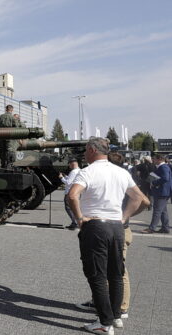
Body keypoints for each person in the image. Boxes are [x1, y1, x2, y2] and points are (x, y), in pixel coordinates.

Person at [67, 137, 148, 334]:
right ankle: (115, 317)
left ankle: (104, 323)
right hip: (116, 227)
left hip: (96, 226)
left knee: (97, 275)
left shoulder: (87, 172)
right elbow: (139, 198)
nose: (85, 154)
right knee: (116, 274)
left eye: (86, 150)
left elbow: (72, 195)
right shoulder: (120, 172)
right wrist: (123, 217)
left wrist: (79, 218)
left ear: (93, 150)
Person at [141, 153, 171, 233]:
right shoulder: (163, 166)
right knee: (163, 211)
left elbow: (165, 178)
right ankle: (165, 228)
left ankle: (152, 228)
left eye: (154, 159)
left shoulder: (163, 167)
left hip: (162, 192)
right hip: (163, 192)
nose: (153, 160)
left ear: (159, 159)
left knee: (157, 211)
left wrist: (154, 183)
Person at [59, 158, 80, 229]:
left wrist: (61, 177)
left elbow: (68, 183)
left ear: (72, 164)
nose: (69, 166)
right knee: (74, 208)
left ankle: (75, 222)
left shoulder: (73, 172)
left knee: (68, 208)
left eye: (69, 165)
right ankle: (75, 222)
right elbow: (72, 180)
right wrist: (66, 176)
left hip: (69, 192)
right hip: (76, 191)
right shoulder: (79, 170)